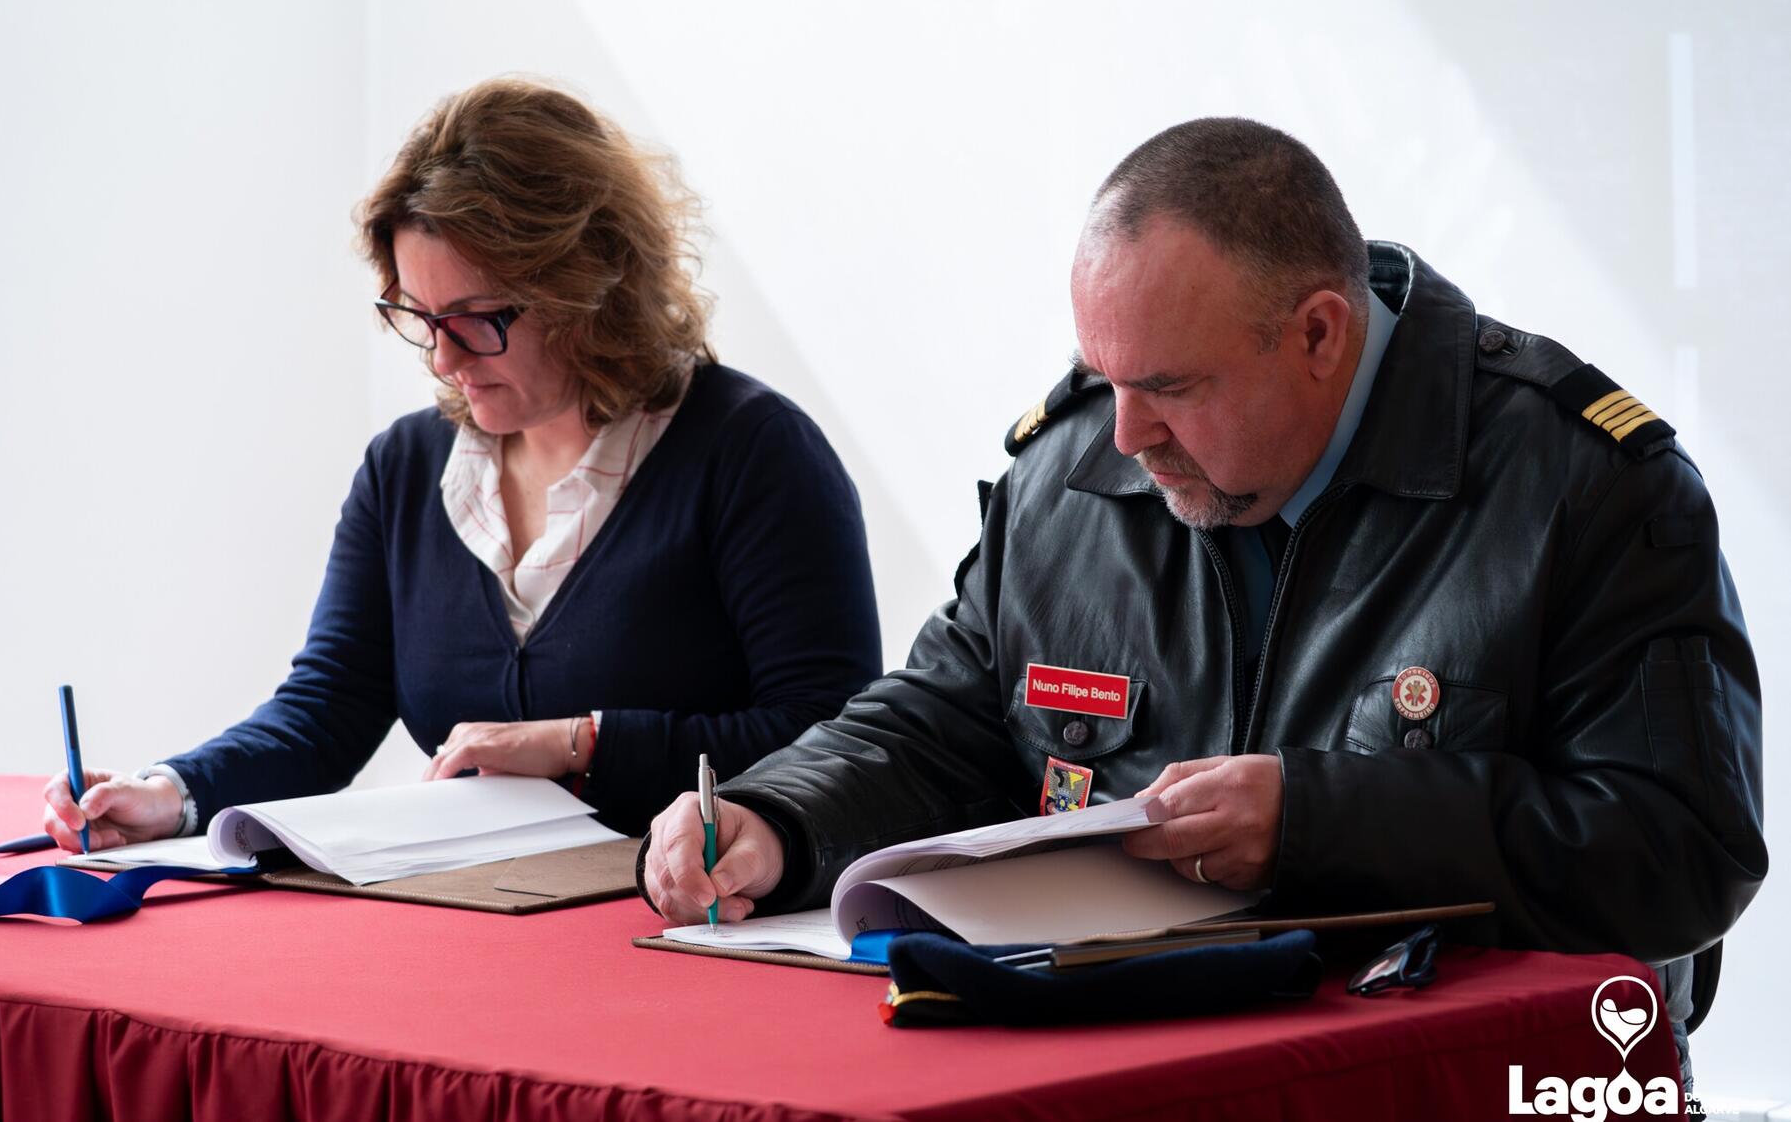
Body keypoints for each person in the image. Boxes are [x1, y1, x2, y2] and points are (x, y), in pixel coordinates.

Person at [643, 117, 1764, 1062]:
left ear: (1318, 333)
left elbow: (1680, 850)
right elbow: (941, 720)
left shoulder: (1588, 487)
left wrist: (1317, 822)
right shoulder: (1067, 475)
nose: (1125, 437)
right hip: (1127, 1069)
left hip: (1445, 1079)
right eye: (1102, 377)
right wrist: (778, 813)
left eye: (1168, 387)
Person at [40, 77, 881, 844]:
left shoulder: (754, 454)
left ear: (588, 288)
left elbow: (834, 740)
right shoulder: (405, 469)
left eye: (478, 318)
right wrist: (173, 791)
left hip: (684, 926)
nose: (443, 359)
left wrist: (584, 744)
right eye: (419, 316)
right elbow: (328, 707)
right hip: (474, 923)